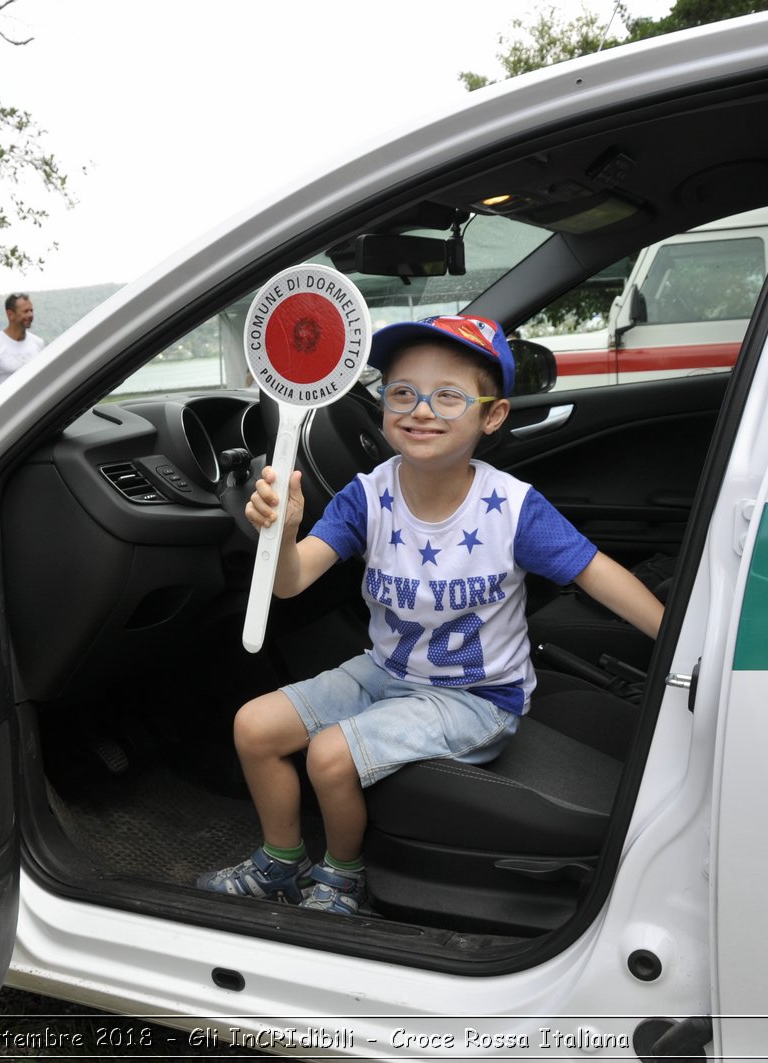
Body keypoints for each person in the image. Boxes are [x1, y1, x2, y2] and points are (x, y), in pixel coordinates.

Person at [196, 315, 663, 915]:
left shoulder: (512, 508)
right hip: (386, 673)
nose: (421, 410)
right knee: (253, 728)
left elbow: (598, 575)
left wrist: (681, 643)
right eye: (401, 392)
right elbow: (289, 583)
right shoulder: (366, 496)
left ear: (491, 416)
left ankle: (343, 879)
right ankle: (282, 863)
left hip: (477, 698)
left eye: (448, 396)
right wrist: (283, 534)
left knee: (329, 756)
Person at [0, 292, 45, 399]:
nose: (30, 315)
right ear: (10, 314)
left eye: (31, 310)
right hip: (8, 412)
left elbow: (44, 380)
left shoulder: (38, 343)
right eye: (25, 311)